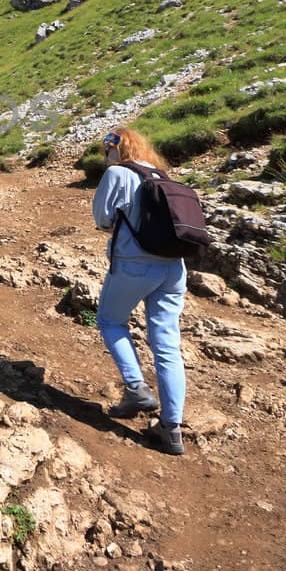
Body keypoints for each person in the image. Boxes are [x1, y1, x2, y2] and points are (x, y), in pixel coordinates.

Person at [91, 126, 187, 456]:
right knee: (167, 344)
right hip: (174, 267)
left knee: (110, 321)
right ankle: (171, 428)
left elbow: (102, 220)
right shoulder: (161, 175)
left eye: (107, 149)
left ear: (119, 148)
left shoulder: (118, 173)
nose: (105, 156)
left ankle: (136, 388)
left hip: (134, 264)